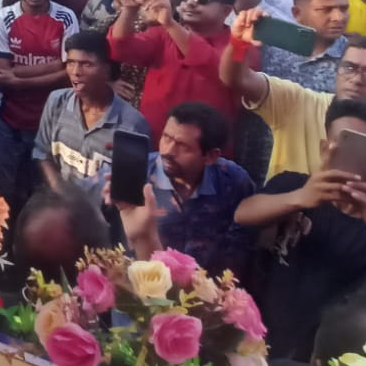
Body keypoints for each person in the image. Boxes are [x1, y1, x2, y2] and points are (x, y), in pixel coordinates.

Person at [233, 100, 366, 363]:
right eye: (345, 142)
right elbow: (243, 214)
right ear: (323, 149)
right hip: (254, 341)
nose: (354, 156)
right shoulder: (292, 185)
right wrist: (300, 197)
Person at [221, 14, 366, 219]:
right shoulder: (297, 102)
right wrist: (238, 43)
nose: (356, 79)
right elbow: (237, 78)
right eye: (349, 67)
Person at [109, 102, 257, 279]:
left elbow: (242, 244)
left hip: (204, 296)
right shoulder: (135, 173)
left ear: (210, 156)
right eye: (166, 138)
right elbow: (76, 202)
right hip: (140, 292)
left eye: (183, 146)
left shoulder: (234, 181)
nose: (168, 151)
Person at [0, 0, 78, 209]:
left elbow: (71, 72)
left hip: (51, 122)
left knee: (44, 194)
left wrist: (20, 77)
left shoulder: (66, 18)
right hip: (9, 121)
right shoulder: (2, 19)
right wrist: (56, 68)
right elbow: (3, 76)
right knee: (4, 191)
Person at [109, 0, 243, 138]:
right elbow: (120, 49)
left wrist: (170, 23)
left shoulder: (239, 47)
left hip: (202, 155)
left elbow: (214, 67)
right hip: (150, 144)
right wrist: (129, 9)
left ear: (226, 10)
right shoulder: (164, 34)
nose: (190, 3)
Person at [33, 30, 149, 210]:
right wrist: (62, 194)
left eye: (86, 64)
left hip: (105, 224)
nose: (76, 72)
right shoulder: (56, 102)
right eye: (70, 63)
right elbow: (42, 154)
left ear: (107, 69)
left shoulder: (131, 125)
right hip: (61, 213)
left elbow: (129, 195)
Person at [260, 0, 351, 91]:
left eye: (344, 9)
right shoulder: (271, 49)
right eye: (326, 10)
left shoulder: (355, 59)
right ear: (297, 13)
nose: (339, 18)